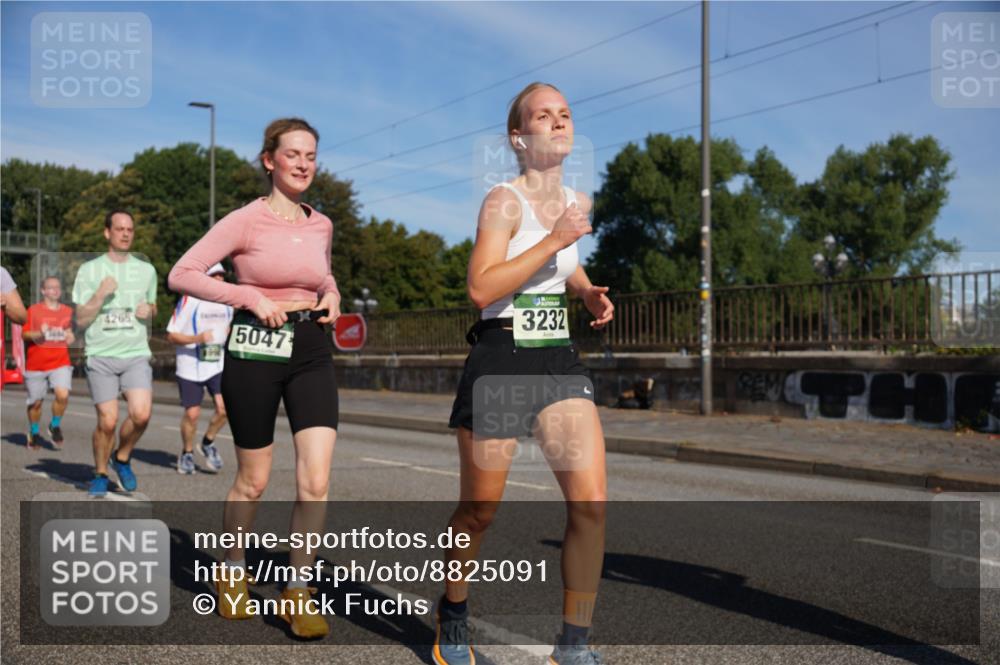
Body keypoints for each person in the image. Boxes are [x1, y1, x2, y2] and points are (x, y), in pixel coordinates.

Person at [436, 82, 614, 665]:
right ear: (518, 137)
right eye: (544, 115)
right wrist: (556, 239)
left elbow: (565, 263)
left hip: (557, 356)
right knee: (480, 510)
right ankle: (453, 613)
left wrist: (584, 291)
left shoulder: (576, 199)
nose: (559, 122)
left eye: (565, 113)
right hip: (502, 356)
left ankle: (573, 643)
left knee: (591, 503)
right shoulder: (503, 201)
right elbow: (481, 286)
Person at [169, 117, 341, 639]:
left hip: (311, 347)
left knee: (316, 479)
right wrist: (249, 296)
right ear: (270, 160)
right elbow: (182, 273)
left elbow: (322, 273)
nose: (303, 164)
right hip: (255, 346)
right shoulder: (245, 220)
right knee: (255, 479)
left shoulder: (322, 224)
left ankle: (297, 591)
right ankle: (231, 569)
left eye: (311, 155)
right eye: (293, 154)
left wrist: (332, 294)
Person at [72, 211, 157, 497]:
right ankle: (100, 473)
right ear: (107, 233)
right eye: (119, 229)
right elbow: (80, 319)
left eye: (130, 229)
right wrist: (100, 294)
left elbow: (153, 305)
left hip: (135, 352)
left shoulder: (146, 270)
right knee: (107, 421)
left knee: (141, 415)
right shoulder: (89, 270)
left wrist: (150, 310)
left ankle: (121, 457)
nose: (125, 233)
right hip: (101, 354)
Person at [166, 263, 232, 474]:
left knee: (225, 409)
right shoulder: (190, 300)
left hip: (217, 364)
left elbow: (228, 328)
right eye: (214, 276)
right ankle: (187, 452)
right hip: (190, 366)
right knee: (193, 414)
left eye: (221, 276)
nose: (219, 280)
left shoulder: (228, 301)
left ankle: (207, 442)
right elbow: (171, 335)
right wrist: (198, 338)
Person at [22, 275, 75, 450]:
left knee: (62, 395)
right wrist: (40, 333)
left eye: (58, 287)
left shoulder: (67, 311)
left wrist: (70, 336)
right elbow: (24, 335)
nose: (55, 290)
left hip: (60, 362)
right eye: (51, 287)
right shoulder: (33, 310)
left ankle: (54, 425)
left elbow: (70, 332)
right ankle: (34, 431)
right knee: (35, 403)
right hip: (36, 364)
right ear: (43, 291)